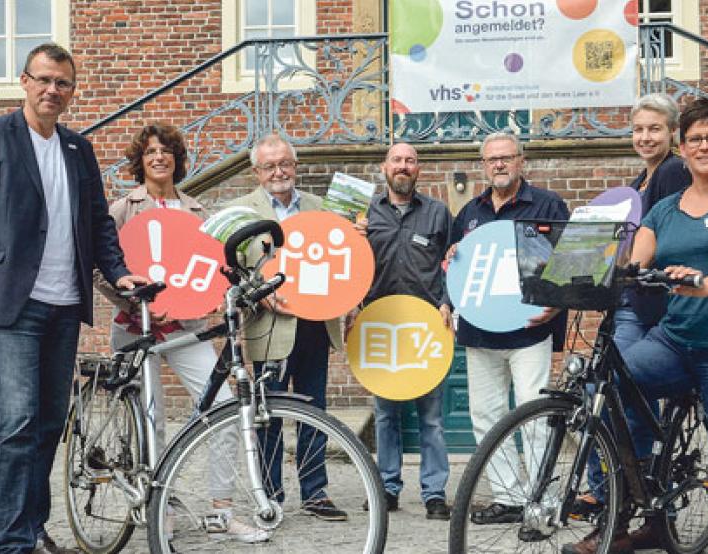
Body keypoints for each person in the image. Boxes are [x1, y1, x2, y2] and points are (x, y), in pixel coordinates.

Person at [0, 43, 146, 554]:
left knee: (52, 422)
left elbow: (99, 222)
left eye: (63, 83)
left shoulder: (78, 149)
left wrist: (119, 275)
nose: (52, 90)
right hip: (10, 303)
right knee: (17, 424)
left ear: (72, 91)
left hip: (64, 304)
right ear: (25, 81)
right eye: (44, 80)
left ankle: (33, 526)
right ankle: (12, 540)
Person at [571, 98, 708, 554]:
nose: (704, 146)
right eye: (695, 139)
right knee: (606, 383)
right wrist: (575, 256)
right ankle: (638, 502)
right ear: (682, 148)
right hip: (676, 340)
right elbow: (632, 260)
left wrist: (705, 285)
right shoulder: (665, 209)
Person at [92, 123, 268, 543]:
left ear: (177, 159)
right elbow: (101, 269)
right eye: (150, 151)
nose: (159, 157)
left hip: (184, 328)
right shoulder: (121, 209)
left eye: (166, 150)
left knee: (224, 408)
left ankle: (222, 510)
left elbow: (212, 273)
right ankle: (160, 506)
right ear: (140, 160)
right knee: (148, 419)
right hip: (135, 327)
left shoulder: (199, 214)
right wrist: (131, 305)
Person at [572, 93, 693, 548]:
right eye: (639, 129)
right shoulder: (638, 180)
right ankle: (625, 490)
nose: (646, 136)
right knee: (607, 392)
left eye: (655, 129)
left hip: (646, 307)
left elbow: (664, 237)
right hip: (625, 301)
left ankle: (617, 498)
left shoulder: (672, 172)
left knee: (615, 392)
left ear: (672, 132)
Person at [443, 132, 569, 524]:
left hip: (528, 330)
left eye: (506, 157)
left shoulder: (547, 205)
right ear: (484, 165)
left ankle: (543, 498)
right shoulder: (470, 213)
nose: (498, 164)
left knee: (535, 415)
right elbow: (452, 265)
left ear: (521, 161)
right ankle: (510, 498)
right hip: (481, 334)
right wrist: (447, 300)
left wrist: (558, 301)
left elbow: (570, 261)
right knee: (488, 416)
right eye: (491, 159)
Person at [224, 133, 347, 521]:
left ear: (295, 166)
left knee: (315, 409)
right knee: (268, 412)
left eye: (285, 164)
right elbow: (230, 268)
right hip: (269, 326)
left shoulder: (320, 206)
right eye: (269, 166)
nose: (279, 171)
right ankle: (270, 494)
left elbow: (340, 256)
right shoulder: (241, 211)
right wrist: (257, 293)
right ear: (257, 172)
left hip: (314, 322)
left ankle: (315, 492)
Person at [346, 142, 453, 519]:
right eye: (397, 160)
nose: (403, 167)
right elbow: (347, 265)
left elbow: (451, 262)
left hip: (426, 329)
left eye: (410, 160)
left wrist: (448, 301)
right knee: (386, 415)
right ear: (384, 168)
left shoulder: (439, 212)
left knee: (432, 418)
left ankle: (434, 493)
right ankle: (387, 488)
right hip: (379, 325)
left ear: (418, 168)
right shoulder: (362, 214)